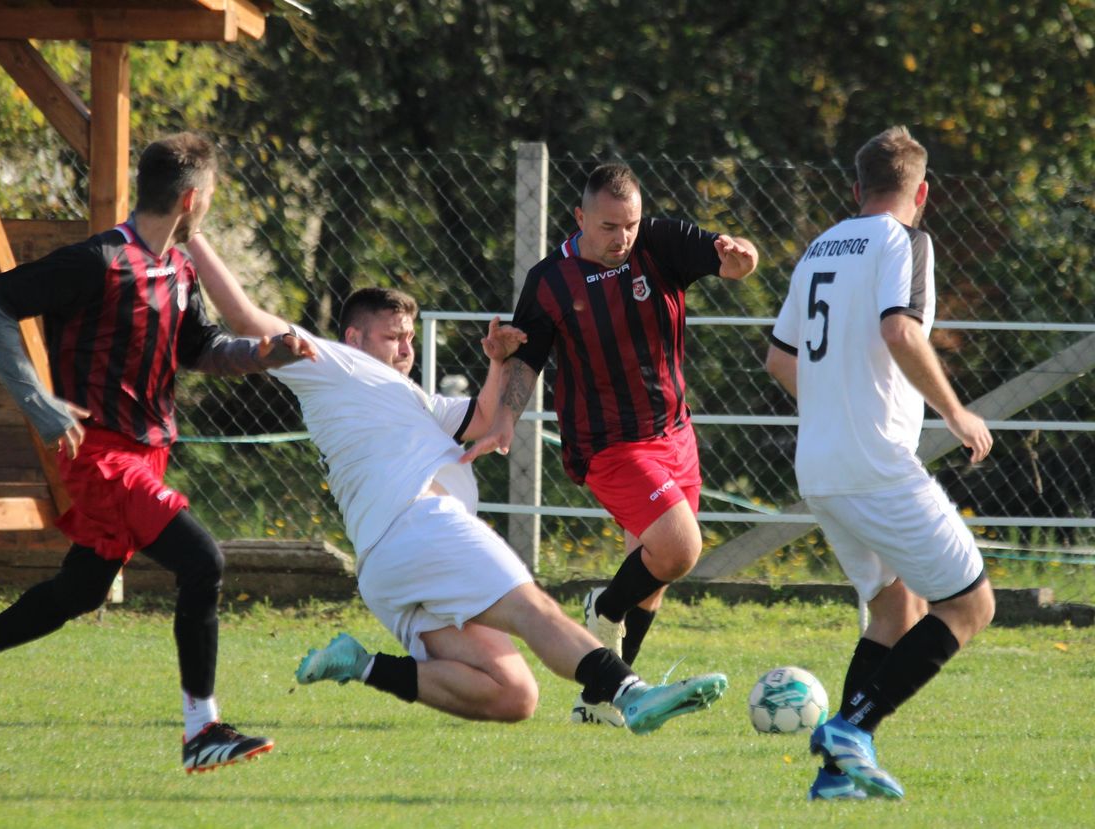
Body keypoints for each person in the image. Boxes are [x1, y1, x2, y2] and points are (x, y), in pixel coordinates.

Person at [191, 267, 728, 733]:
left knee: (513, 695)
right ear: (354, 338)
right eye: (392, 337)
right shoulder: (333, 364)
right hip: (420, 526)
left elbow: (486, 420)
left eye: (409, 338)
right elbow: (241, 314)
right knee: (532, 607)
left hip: (386, 570)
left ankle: (360, 665)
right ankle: (629, 694)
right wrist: (188, 239)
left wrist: (497, 362)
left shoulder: (410, 398)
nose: (405, 348)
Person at [0, 132, 316, 774]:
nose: (210, 205)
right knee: (202, 561)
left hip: (147, 454)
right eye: (212, 195)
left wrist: (263, 355)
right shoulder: (99, 259)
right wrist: (37, 400)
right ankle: (203, 730)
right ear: (192, 198)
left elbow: (200, 350)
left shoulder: (179, 266)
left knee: (80, 590)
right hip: (102, 456)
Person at [462, 162, 759, 726]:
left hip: (675, 431)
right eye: (607, 226)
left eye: (630, 224)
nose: (622, 237)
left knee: (653, 573)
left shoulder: (661, 242)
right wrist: (504, 420)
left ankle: (599, 702)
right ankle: (603, 608)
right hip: (608, 445)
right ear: (579, 218)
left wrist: (742, 260)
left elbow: (728, 261)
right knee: (678, 549)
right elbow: (526, 358)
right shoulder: (550, 280)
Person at [765, 126, 995, 800]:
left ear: (854, 188)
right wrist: (956, 412)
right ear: (920, 193)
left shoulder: (817, 249)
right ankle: (850, 728)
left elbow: (780, 358)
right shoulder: (905, 241)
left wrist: (837, 402)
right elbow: (900, 329)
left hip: (822, 464)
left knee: (895, 609)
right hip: (876, 464)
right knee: (972, 602)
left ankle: (837, 777)